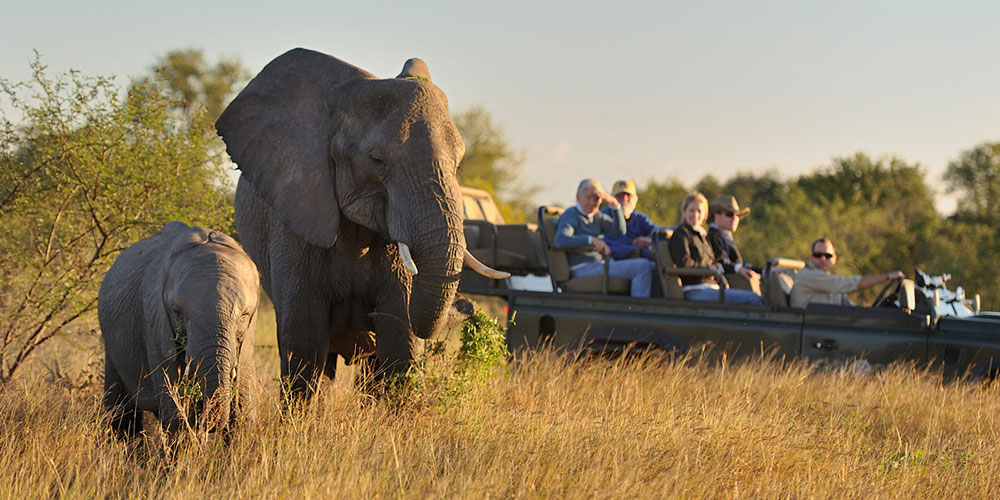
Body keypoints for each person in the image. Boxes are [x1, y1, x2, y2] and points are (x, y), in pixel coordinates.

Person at [553, 178, 655, 298]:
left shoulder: (596, 216)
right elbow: (560, 240)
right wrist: (590, 240)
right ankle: (638, 313)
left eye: (596, 199)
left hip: (600, 265)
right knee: (642, 266)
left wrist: (615, 207)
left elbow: (619, 232)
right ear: (578, 197)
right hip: (583, 268)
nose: (592, 202)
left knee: (652, 266)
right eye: (588, 197)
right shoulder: (572, 214)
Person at [668, 192, 763, 305]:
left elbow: (714, 262)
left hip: (711, 287)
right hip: (695, 289)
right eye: (691, 210)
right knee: (753, 299)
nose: (695, 215)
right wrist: (709, 270)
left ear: (705, 215)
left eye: (699, 211)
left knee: (756, 296)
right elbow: (685, 263)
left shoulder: (702, 236)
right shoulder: (681, 234)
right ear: (684, 211)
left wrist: (729, 268)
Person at [790, 238, 905, 308]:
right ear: (811, 257)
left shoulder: (829, 281)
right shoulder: (808, 275)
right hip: (813, 329)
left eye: (828, 256)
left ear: (834, 259)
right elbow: (851, 283)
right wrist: (887, 276)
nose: (823, 259)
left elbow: (850, 308)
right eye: (818, 255)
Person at [601, 179, 662, 261]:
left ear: (635, 199)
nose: (625, 199)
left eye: (628, 196)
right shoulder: (603, 216)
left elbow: (658, 231)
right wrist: (633, 243)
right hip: (612, 263)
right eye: (620, 196)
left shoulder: (639, 218)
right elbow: (605, 244)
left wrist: (651, 240)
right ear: (612, 199)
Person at [707, 195, 759, 273]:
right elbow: (723, 264)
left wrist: (762, 270)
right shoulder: (713, 237)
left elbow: (738, 264)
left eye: (737, 215)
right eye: (729, 214)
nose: (734, 218)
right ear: (717, 216)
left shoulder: (724, 237)